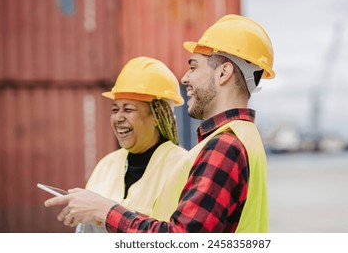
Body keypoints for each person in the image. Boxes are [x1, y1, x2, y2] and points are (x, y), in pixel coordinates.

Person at [45, 14, 275, 233]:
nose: (185, 78)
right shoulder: (243, 137)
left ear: (223, 73)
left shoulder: (224, 146)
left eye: (193, 66)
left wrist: (105, 210)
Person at [75, 56, 188, 232]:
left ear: (156, 117)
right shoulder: (106, 165)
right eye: (115, 109)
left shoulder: (183, 166)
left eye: (128, 109)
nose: (118, 117)